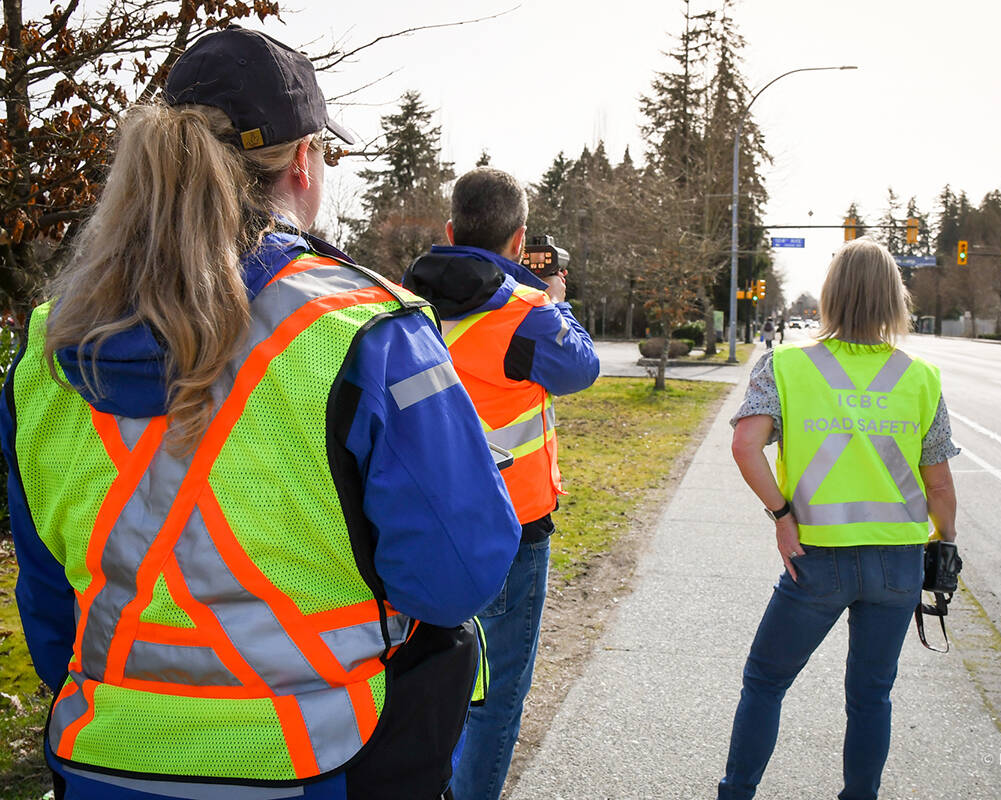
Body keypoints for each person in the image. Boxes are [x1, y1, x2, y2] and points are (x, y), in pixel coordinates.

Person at [0, 27, 520, 800]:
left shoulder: (48, 343)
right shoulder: (370, 329)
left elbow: (47, 600)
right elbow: (456, 579)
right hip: (320, 762)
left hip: (104, 757)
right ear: (304, 161)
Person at [718, 239, 959, 800]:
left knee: (765, 683)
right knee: (872, 696)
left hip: (815, 562)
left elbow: (745, 447)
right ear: (893, 301)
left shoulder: (786, 366)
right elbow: (940, 484)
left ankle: (737, 793)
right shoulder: (921, 378)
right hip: (898, 566)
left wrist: (781, 514)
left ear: (830, 296)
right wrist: (944, 546)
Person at [402, 167, 600, 800]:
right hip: (513, 531)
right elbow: (582, 368)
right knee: (497, 697)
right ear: (519, 242)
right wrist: (554, 298)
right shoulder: (529, 314)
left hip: (420, 526)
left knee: (420, 683)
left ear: (451, 231)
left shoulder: (398, 305)